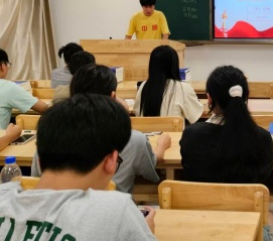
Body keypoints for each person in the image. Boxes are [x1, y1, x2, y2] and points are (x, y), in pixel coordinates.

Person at [0, 94, 164, 241]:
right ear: (111, 162)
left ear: (39, 161)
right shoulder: (116, 211)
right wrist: (143, 234)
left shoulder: (3, 195)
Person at [32, 64, 170, 194]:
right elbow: (150, 166)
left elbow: (36, 180)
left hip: (59, 208)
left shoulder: (50, 135)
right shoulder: (133, 139)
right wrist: (162, 146)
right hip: (115, 208)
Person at [180, 65, 273, 184]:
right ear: (246, 97)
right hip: (247, 197)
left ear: (209, 99)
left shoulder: (192, 135)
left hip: (201, 197)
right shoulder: (263, 139)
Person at [135, 45, 203, 123]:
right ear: (174, 65)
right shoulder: (183, 88)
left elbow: (137, 113)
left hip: (145, 131)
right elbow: (195, 116)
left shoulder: (143, 86)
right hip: (173, 131)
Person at [0, 49, 48, 129]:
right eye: (8, 65)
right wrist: (34, 100)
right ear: (2, 66)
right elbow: (45, 109)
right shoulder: (9, 87)